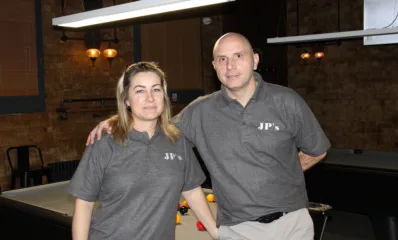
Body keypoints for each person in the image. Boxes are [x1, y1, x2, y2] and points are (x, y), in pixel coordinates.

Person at [87, 33, 331, 240]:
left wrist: (283, 173)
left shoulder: (286, 101)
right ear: (214, 67)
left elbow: (317, 150)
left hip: (293, 225)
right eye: (222, 59)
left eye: (238, 56)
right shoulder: (200, 111)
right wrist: (118, 119)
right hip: (238, 230)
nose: (230, 66)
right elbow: (157, 128)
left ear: (255, 60)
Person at [68, 62, 218, 240]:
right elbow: (84, 204)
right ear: (126, 100)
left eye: (156, 89)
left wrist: (218, 234)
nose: (150, 98)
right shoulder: (104, 143)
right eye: (140, 90)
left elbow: (192, 190)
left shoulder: (177, 141)